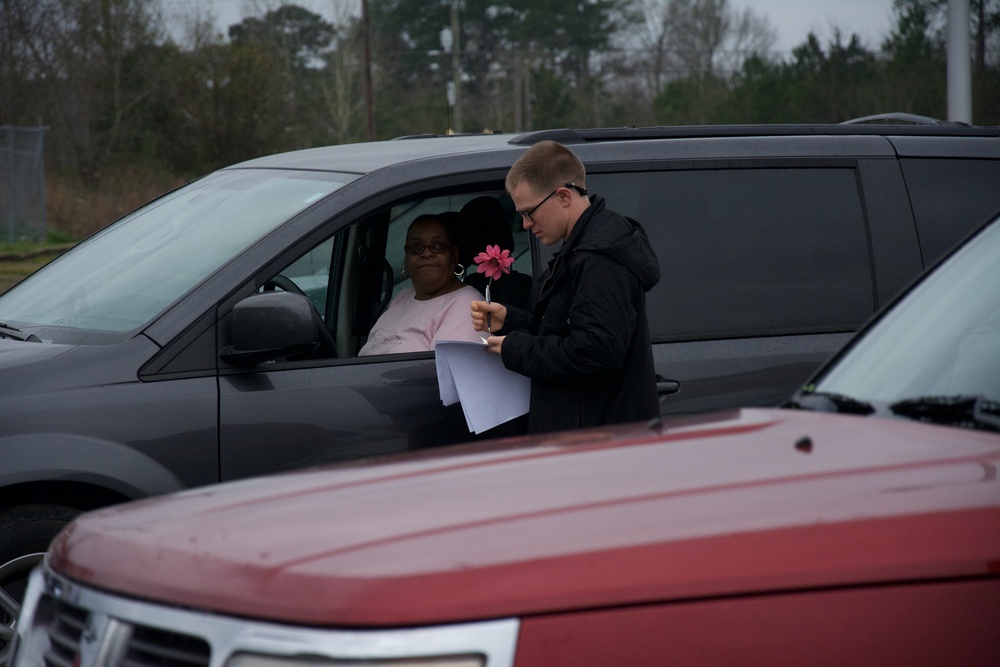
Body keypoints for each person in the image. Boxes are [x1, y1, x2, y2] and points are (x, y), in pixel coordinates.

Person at [470, 140, 661, 433]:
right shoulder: (582, 250)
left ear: (562, 196)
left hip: (598, 446)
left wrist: (515, 347)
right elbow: (565, 327)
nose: (525, 225)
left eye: (529, 212)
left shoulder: (598, 259)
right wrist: (511, 320)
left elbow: (595, 353)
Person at [359, 213, 483, 356]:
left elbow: (444, 374)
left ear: (454, 254)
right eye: (416, 247)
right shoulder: (403, 296)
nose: (426, 253)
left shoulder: (469, 306)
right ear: (406, 258)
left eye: (438, 245)